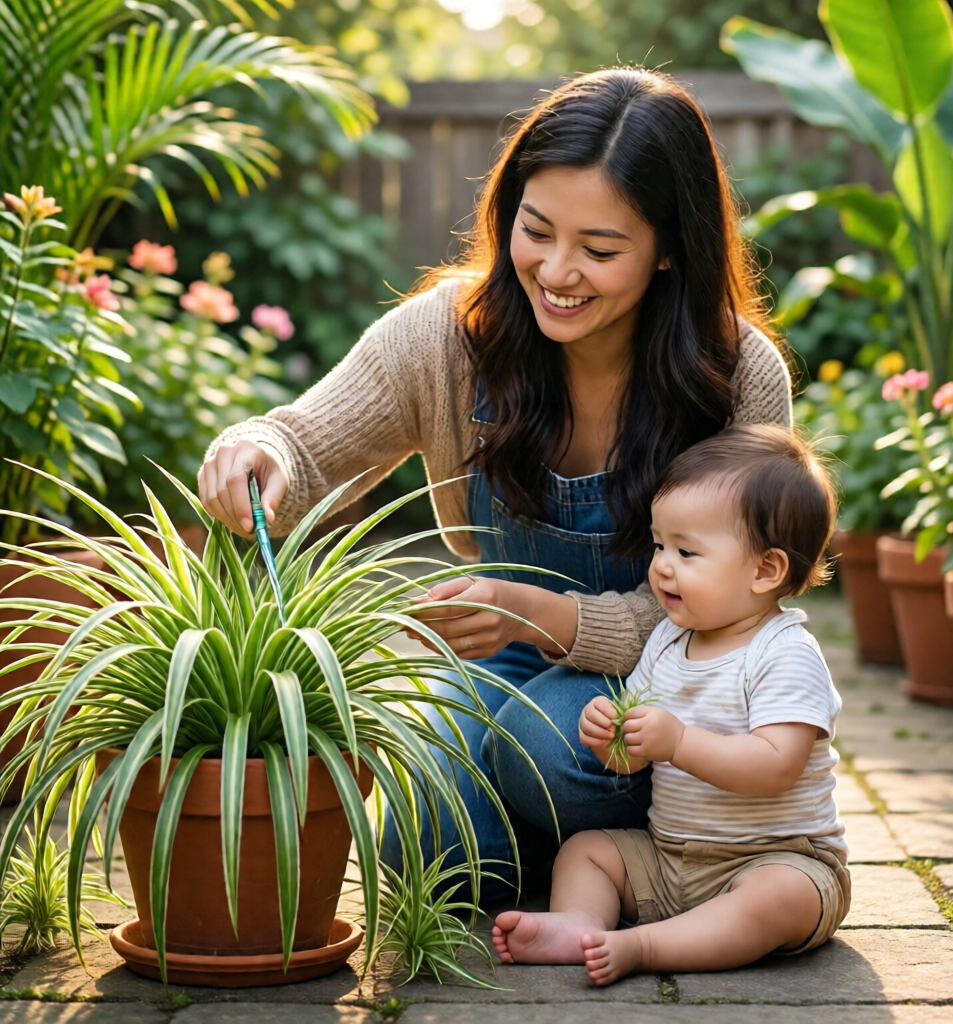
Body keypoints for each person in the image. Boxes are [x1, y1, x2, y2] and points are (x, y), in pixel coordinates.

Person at [197, 68, 794, 898]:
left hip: (679, 675)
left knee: (552, 753)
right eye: (536, 230)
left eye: (600, 250)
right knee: (422, 839)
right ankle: (580, 863)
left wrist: (543, 613)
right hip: (502, 659)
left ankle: (653, 856)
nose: (556, 271)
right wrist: (255, 450)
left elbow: (744, 606)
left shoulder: (734, 376)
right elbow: (305, 441)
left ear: (668, 250)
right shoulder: (448, 337)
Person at [491, 424, 850, 982]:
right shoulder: (666, 640)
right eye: (659, 545)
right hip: (669, 857)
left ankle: (645, 946)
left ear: (765, 570)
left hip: (773, 857)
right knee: (587, 851)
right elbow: (633, 759)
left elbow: (776, 766)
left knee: (780, 897)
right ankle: (579, 924)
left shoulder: (785, 653)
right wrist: (612, 741)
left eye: (686, 551)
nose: (661, 565)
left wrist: (678, 741)